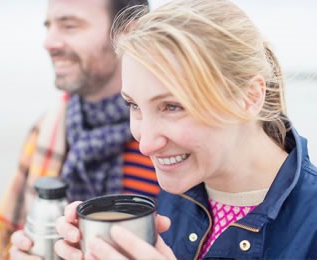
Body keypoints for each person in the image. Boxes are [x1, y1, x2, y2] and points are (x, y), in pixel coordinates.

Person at [54, 0, 317, 259]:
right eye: (133, 105)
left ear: (250, 97)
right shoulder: (176, 192)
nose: (145, 145)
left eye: (172, 106)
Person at [0, 0, 159, 259]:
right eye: (49, 27)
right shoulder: (45, 131)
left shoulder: (171, 142)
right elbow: (10, 235)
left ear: (128, 31)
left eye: (69, 26)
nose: (49, 42)